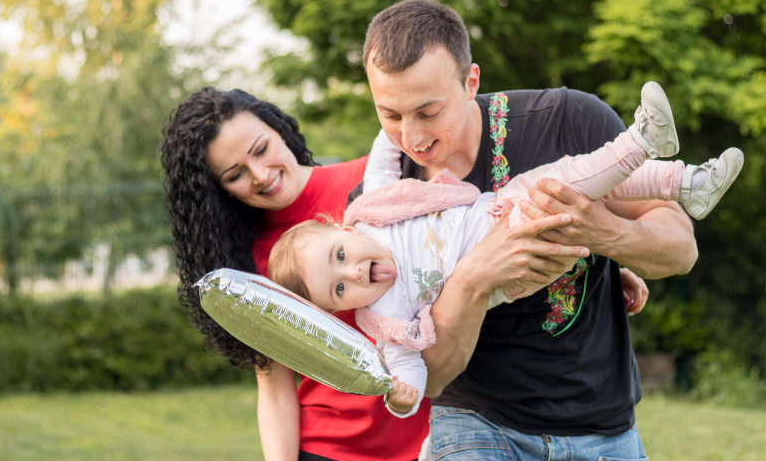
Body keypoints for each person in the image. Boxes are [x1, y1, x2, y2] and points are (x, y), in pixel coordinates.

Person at [357, 0, 701, 461]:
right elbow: (429, 376)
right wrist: (476, 278)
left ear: (470, 81)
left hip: (604, 432)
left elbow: (681, 248)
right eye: (389, 115)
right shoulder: (381, 203)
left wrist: (606, 234)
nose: (411, 136)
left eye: (428, 111)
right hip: (474, 426)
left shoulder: (568, 120)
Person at [267, 81, 742, 418]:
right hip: (512, 264)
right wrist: (402, 395)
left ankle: (684, 181)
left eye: (341, 258)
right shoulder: (385, 319)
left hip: (500, 210)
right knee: (565, 182)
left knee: (574, 178)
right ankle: (643, 144)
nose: (354, 275)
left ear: (341, 227)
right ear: (340, 308)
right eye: (339, 289)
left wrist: (393, 121)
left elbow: (384, 156)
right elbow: (410, 367)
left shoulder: (375, 209)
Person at [160, 87, 430, 461]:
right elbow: (275, 390)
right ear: (219, 191)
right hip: (328, 458)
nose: (261, 175)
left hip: (431, 442)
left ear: (279, 129)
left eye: (260, 149)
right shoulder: (247, 262)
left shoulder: (375, 179)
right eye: (235, 175)